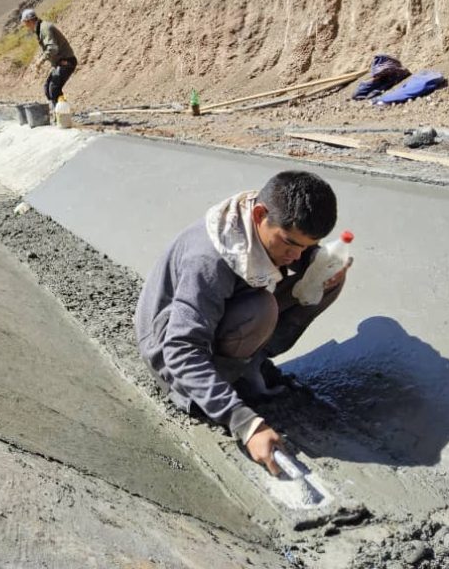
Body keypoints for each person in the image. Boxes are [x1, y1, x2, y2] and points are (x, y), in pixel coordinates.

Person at [134, 171, 351, 476]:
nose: (296, 254)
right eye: (291, 243)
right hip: (170, 353)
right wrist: (244, 422)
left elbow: (300, 250)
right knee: (261, 310)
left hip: (227, 310)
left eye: (305, 246)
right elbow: (181, 350)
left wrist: (320, 261)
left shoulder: (268, 223)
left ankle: (251, 363)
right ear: (260, 215)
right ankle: (221, 385)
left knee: (326, 276)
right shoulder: (209, 261)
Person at [20, 9, 77, 109]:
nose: (25, 26)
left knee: (54, 88)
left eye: (25, 23)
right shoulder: (40, 28)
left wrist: (41, 61)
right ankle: (59, 111)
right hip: (61, 63)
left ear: (29, 21)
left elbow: (52, 48)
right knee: (48, 88)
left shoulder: (44, 28)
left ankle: (62, 113)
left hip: (66, 62)